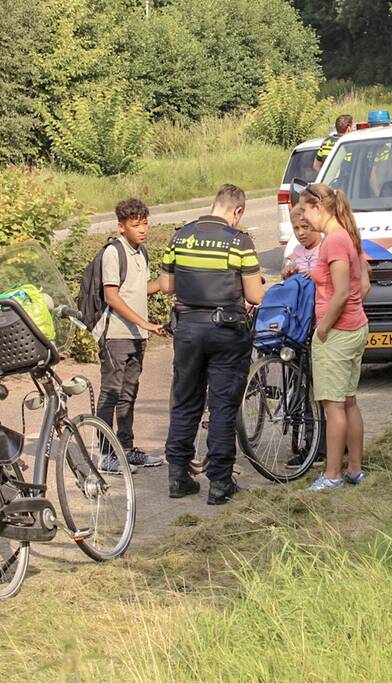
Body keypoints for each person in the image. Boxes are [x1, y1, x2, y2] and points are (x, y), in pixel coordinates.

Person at [160, 184, 264, 505]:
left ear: (213, 204)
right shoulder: (239, 241)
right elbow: (254, 296)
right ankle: (219, 483)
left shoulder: (180, 237)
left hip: (188, 330)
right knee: (222, 405)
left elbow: (166, 286)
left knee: (186, 399)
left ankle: (178, 476)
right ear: (237, 211)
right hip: (226, 333)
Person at [299, 182, 370, 492]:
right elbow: (361, 285)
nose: (304, 218)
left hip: (338, 333)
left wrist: (324, 327)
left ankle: (332, 475)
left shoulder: (334, 242)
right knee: (349, 403)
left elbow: (341, 292)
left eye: (305, 210)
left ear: (318, 208)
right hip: (355, 327)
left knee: (334, 407)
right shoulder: (347, 235)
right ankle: (354, 469)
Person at [96, 198, 165, 473]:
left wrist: (166, 282)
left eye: (145, 223)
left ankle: (126, 449)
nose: (142, 229)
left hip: (137, 336)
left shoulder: (141, 252)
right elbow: (111, 297)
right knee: (111, 393)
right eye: (135, 225)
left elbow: (140, 289)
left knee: (129, 393)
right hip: (116, 335)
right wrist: (145, 323)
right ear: (121, 226)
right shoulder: (113, 252)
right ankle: (105, 454)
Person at [281, 210, 322, 279]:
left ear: (317, 225)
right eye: (296, 228)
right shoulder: (297, 251)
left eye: (305, 227)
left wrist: (318, 273)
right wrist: (288, 272)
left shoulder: (326, 248)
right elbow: (284, 276)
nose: (300, 233)